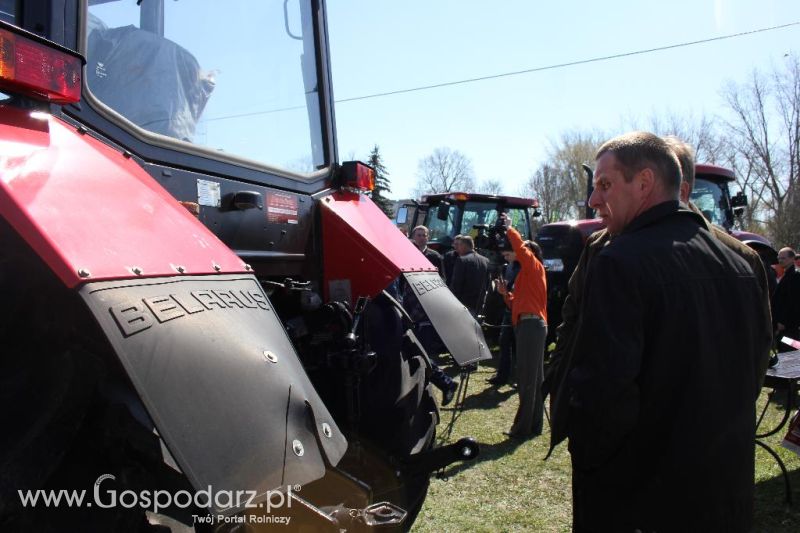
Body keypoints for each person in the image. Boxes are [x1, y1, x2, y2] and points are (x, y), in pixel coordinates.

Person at [557, 132, 767, 531]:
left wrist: (587, 458)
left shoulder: (621, 261)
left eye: (605, 184)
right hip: (722, 493)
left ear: (645, 184)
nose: (593, 200)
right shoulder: (739, 262)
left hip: (643, 500)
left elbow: (603, 395)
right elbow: (753, 373)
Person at [496, 217, 547, 439]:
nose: (515, 254)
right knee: (534, 380)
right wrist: (505, 295)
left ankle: (521, 428)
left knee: (526, 379)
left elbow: (521, 249)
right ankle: (534, 425)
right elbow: (518, 303)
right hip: (530, 325)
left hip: (531, 326)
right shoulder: (527, 275)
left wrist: (509, 229)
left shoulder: (533, 266)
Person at [487, 254, 520, 386]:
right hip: (508, 309)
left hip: (520, 311)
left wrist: (507, 290)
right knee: (504, 343)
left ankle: (519, 377)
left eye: (507, 253)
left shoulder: (524, 268)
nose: (505, 256)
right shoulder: (506, 267)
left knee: (518, 346)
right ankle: (502, 375)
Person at [449, 235, 490, 316]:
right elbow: (487, 283)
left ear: (464, 245)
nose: (457, 248)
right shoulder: (486, 261)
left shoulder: (462, 260)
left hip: (463, 304)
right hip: (478, 304)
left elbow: (456, 284)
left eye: (459, 245)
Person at [773, 247, 800, 351]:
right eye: (779, 258)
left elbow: (794, 302)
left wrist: (783, 322)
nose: (780, 260)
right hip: (784, 326)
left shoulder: (795, 276)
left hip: (788, 326)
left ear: (792, 259)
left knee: (790, 351)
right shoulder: (787, 274)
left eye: (783, 258)